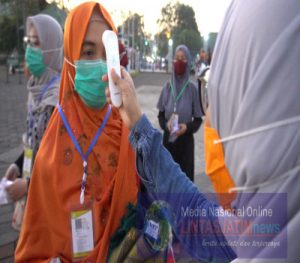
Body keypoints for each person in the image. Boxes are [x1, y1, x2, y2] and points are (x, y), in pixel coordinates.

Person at [105, 0, 300, 262]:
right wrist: (139, 124)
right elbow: (196, 217)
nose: (212, 116)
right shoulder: (263, 229)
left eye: (224, 96)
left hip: (184, 148)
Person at [4, 14, 63, 230]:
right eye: (29, 42)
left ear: (53, 49)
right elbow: (34, 143)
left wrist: (28, 185)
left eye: (37, 43)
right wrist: (17, 165)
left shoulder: (59, 101)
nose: (30, 50)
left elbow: (59, 165)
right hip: (31, 191)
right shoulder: (35, 89)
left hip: (49, 203)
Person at [157, 45, 202, 182]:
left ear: (188, 62)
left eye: (183, 58)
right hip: (168, 144)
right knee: (167, 183)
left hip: (185, 145)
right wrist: (166, 126)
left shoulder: (192, 89)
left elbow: (198, 120)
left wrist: (187, 127)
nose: (179, 62)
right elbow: (160, 116)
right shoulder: (166, 87)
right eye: (177, 58)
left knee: (184, 184)